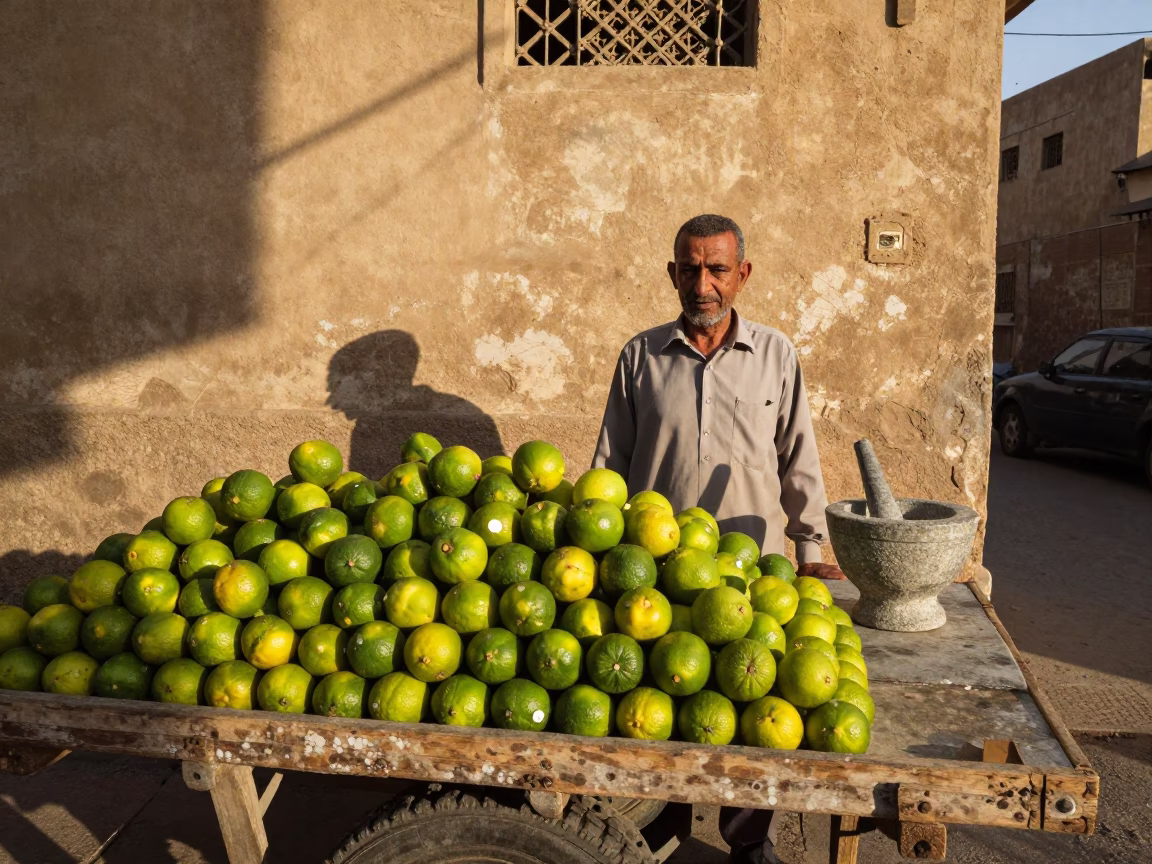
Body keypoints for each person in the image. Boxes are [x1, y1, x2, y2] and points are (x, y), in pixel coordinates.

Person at [592, 213, 844, 864]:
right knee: (665, 701)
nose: (702, 284)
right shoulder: (640, 357)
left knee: (749, 707)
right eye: (689, 268)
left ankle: (748, 843)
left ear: (743, 275)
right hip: (657, 580)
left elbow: (800, 461)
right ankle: (656, 828)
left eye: (717, 269)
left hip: (749, 581)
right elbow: (607, 471)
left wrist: (812, 553)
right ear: (672, 272)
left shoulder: (776, 356)